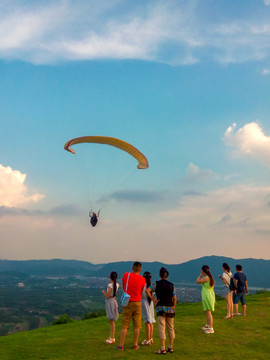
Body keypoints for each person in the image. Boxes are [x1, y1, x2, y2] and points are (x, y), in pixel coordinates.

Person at [116, 261, 146, 351]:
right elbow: (141, 291)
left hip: (128, 301)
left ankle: (121, 345)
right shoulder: (143, 279)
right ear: (140, 269)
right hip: (137, 302)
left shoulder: (126, 275)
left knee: (125, 325)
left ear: (132, 268)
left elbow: (124, 286)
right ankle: (135, 344)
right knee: (137, 325)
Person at [146, 267, 177, 355]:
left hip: (161, 308)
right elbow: (174, 298)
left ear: (160, 275)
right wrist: (173, 306)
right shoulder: (171, 285)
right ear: (167, 275)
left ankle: (163, 348)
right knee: (171, 328)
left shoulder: (156, 283)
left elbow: (147, 291)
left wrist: (153, 299)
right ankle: (170, 347)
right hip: (170, 308)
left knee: (161, 328)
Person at [196, 265, 215, 334]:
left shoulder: (206, 278)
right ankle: (208, 325)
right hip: (208, 295)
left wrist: (200, 275)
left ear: (203, 270)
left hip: (207, 295)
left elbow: (197, 281)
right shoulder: (210, 277)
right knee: (207, 311)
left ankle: (211, 328)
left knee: (208, 312)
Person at [102, 271, 119, 344]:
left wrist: (104, 293)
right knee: (111, 320)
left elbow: (108, 296)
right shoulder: (117, 284)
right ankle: (112, 336)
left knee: (111, 320)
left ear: (110, 277)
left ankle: (112, 337)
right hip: (114, 300)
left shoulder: (110, 286)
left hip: (110, 301)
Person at [141, 271, 155, 346]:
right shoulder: (151, 286)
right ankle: (151, 338)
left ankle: (148, 339)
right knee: (151, 321)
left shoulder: (143, 285)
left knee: (147, 322)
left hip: (144, 303)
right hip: (150, 304)